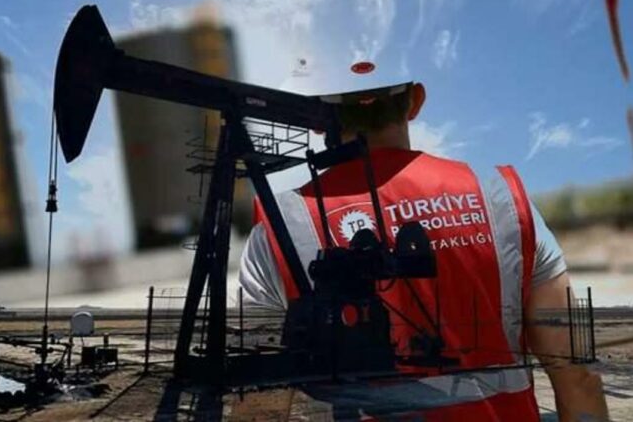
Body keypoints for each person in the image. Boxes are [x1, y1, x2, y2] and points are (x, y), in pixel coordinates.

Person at [238, 82, 609, 421]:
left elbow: (258, 403)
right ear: (415, 101)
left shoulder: (279, 225)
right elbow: (578, 377)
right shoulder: (503, 199)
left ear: (320, 119)